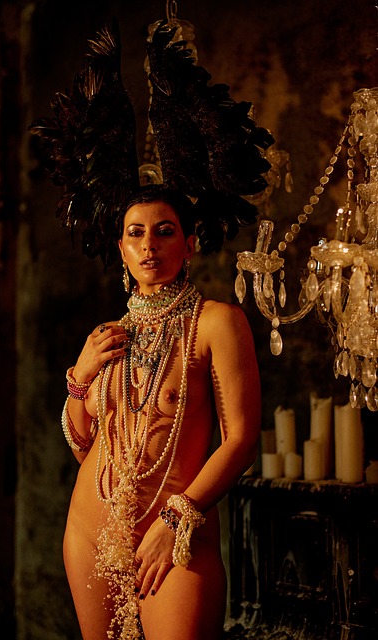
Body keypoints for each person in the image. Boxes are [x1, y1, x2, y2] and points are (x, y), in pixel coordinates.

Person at [61, 186, 261, 640]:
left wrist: (176, 519)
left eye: (164, 231)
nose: (149, 244)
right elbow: (82, 446)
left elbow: (242, 441)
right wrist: (80, 377)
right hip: (90, 534)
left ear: (189, 245)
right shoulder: (107, 337)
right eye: (136, 234)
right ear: (122, 250)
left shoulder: (216, 322)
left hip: (175, 534)